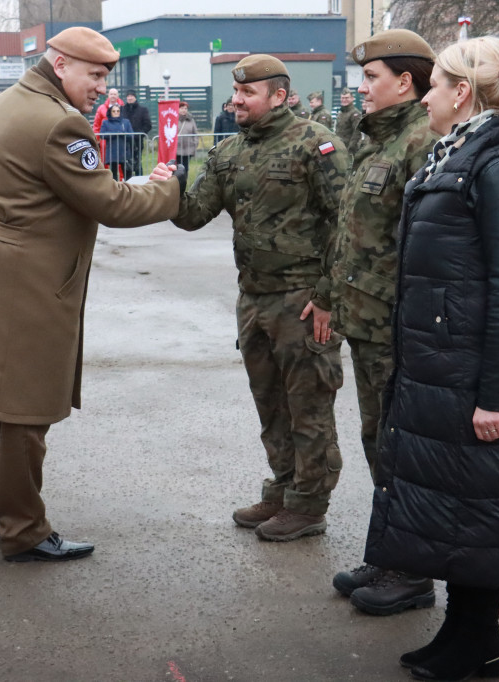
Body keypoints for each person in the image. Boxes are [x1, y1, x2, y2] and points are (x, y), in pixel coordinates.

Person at [0, 26, 181, 563]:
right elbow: (113, 205)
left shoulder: (11, 100)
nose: (102, 86)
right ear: (62, 64)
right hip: (26, 279)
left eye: (106, 76)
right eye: (95, 74)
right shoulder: (59, 124)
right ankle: (24, 530)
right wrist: (168, 189)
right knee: (26, 406)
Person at [362, 36, 499, 681]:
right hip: (437, 365)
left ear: (461, 92)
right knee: (455, 506)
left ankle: (481, 643)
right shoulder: (458, 156)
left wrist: (496, 393)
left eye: (435, 85)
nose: (428, 96)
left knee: (480, 505)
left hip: (469, 374)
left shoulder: (498, 165)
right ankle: (461, 633)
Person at [170, 54, 350, 541]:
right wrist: (168, 187)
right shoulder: (229, 151)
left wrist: (329, 297)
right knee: (270, 403)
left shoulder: (317, 144)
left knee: (308, 405)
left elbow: (346, 224)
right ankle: (285, 489)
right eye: (235, 92)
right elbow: (193, 214)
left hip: (302, 300)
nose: (236, 100)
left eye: (247, 93)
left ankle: (309, 505)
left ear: (279, 95)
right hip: (254, 299)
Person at [328, 28, 439, 616]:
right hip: (368, 323)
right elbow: (353, 235)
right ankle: (389, 552)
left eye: (371, 77)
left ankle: (412, 572)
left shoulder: (421, 142)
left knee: (401, 449)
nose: (361, 87)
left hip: (399, 327)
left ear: (406, 82)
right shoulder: (378, 143)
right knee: (380, 442)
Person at [122, 90, 152, 177]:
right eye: (128, 96)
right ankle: (127, 184)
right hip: (125, 142)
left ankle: (139, 185)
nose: (130, 98)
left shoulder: (143, 110)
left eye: (132, 96)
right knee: (126, 164)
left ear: (135, 97)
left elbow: (148, 125)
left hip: (137, 142)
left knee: (138, 163)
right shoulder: (122, 109)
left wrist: (140, 134)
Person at [99, 103, 132, 180]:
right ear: (110, 112)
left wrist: (123, 134)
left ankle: (129, 190)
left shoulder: (126, 122)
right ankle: (115, 190)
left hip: (124, 151)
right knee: (113, 175)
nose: (116, 113)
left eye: (118, 111)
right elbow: (102, 134)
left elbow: (131, 134)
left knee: (127, 174)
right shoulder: (106, 122)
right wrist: (114, 133)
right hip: (112, 152)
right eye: (114, 111)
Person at [334, 88, 362, 153]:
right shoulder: (340, 113)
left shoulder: (355, 113)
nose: (344, 100)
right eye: (342, 98)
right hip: (339, 147)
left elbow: (357, 132)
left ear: (352, 98)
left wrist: (351, 148)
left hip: (349, 148)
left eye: (347, 98)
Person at [174, 100, 199, 174]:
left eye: (185, 108)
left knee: (185, 168)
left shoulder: (191, 120)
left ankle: (184, 182)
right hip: (177, 149)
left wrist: (195, 143)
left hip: (188, 149)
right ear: (178, 109)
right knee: (177, 168)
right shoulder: (174, 119)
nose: (184, 110)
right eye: (182, 108)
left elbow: (195, 133)